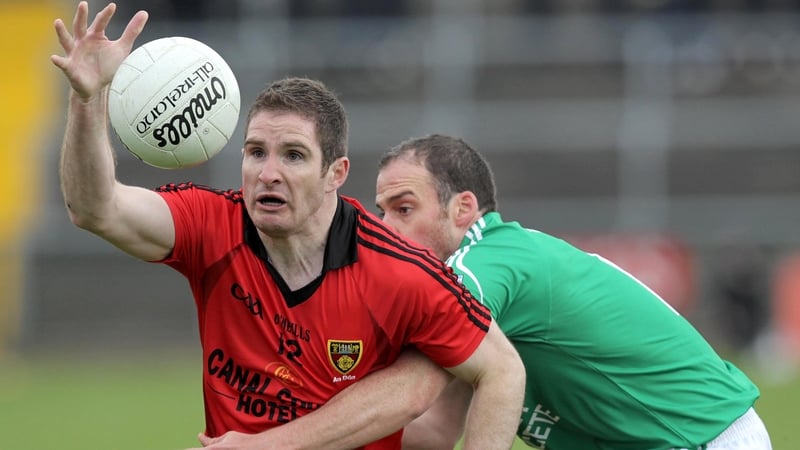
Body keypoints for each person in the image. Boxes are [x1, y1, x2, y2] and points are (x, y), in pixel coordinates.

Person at [49, 3, 526, 450]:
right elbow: (95, 208)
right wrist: (87, 99)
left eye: (293, 155)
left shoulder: (400, 270)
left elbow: (502, 370)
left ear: (335, 174)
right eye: (256, 152)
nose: (268, 173)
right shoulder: (211, 224)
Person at [370, 134, 773, 449]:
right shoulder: (500, 263)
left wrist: (310, 422)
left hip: (694, 439)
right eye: (381, 212)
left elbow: (409, 394)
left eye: (404, 209)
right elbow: (435, 430)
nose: (386, 228)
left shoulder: (480, 265)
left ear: (462, 209)